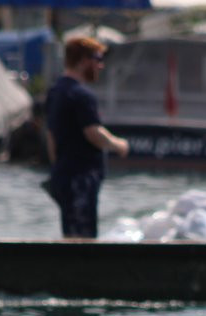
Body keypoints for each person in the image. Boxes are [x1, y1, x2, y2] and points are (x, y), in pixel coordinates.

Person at [44, 36, 129, 238]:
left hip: (63, 175)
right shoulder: (81, 95)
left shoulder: (55, 92)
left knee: (71, 234)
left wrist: (58, 168)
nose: (101, 65)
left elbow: (51, 136)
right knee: (83, 237)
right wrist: (119, 145)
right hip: (81, 178)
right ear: (83, 61)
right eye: (98, 59)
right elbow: (93, 133)